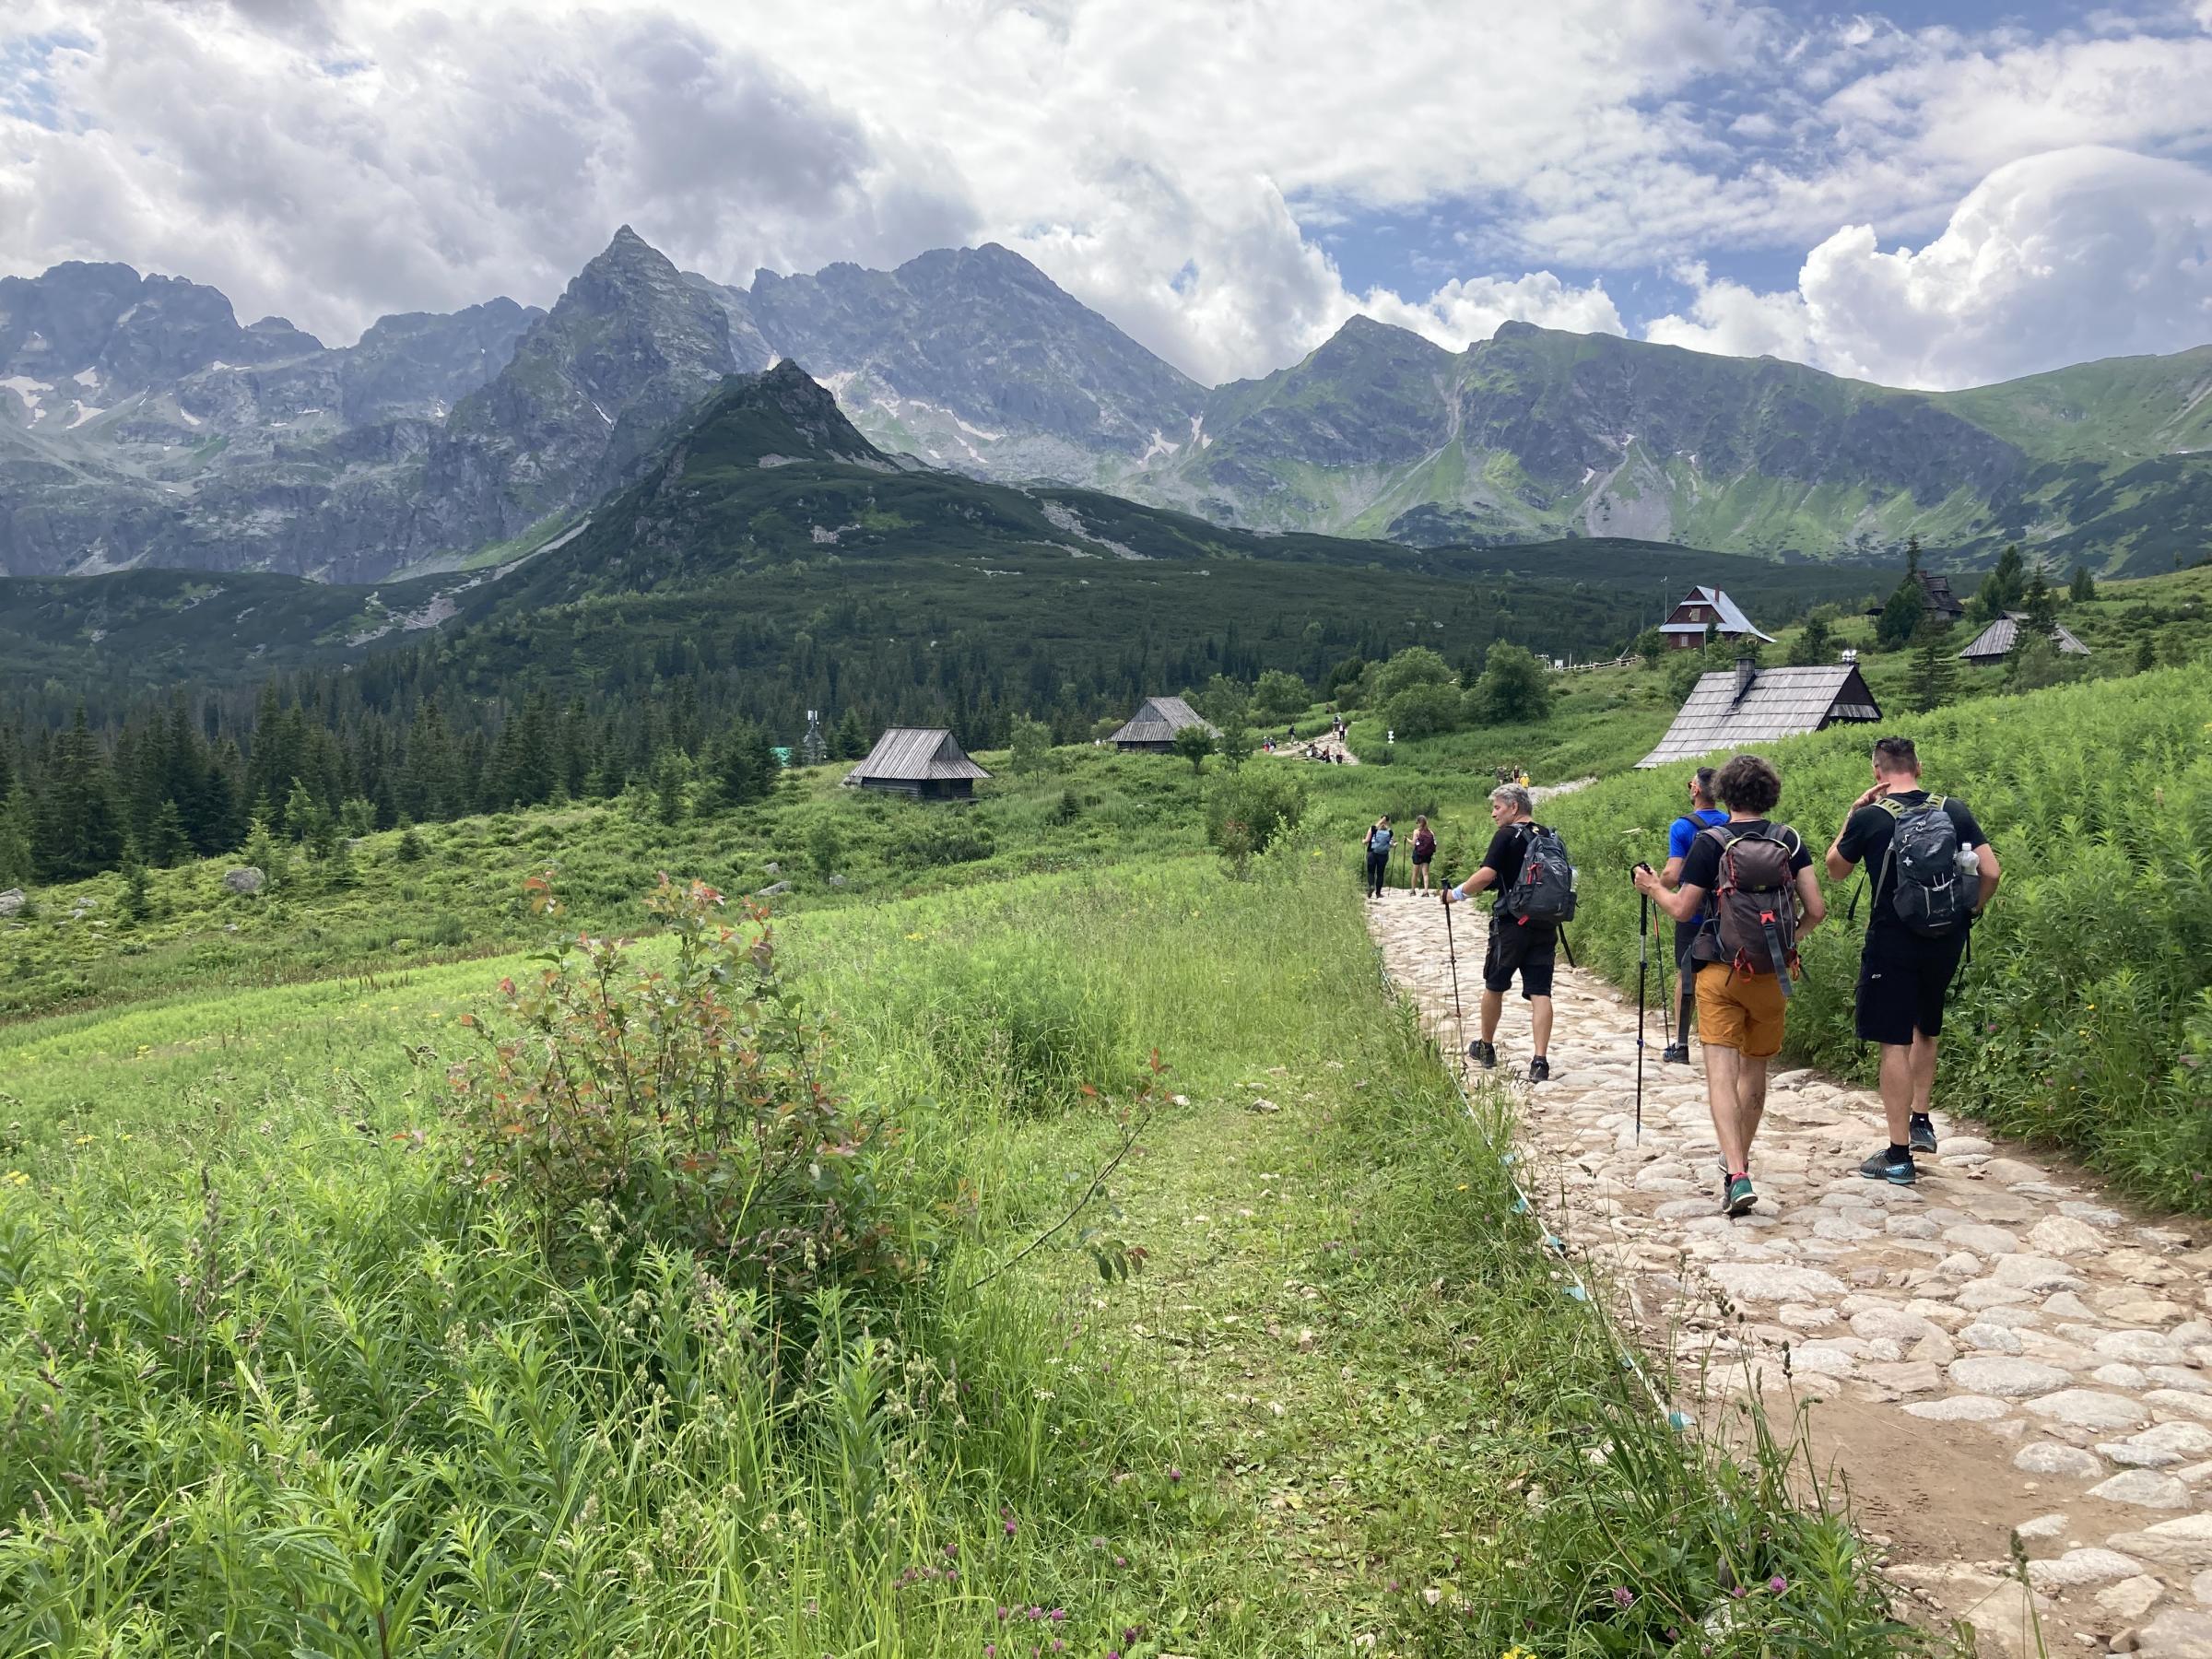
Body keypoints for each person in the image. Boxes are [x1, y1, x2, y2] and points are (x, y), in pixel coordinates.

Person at [1634, 754, 1824, 1216]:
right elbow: (1816, 911)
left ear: (1726, 792)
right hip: (1772, 975)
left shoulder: (1709, 842)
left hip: (1720, 971)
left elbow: (1682, 910)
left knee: (1721, 1073)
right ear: (1769, 793)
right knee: (1755, 1071)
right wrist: (1784, 942)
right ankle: (1739, 1158)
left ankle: (1736, 1172)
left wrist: (1651, 887)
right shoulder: (1790, 840)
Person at [1825, 735, 1999, 1185]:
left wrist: (1851, 814)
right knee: (1927, 1026)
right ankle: (1921, 1121)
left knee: (1893, 1043)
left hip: (1891, 942)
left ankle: (1899, 1154)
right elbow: (1992, 871)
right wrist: (1969, 912)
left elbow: (1835, 869)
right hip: (1946, 937)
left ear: (1877, 772)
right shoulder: (1953, 810)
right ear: (1918, 767)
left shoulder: (1870, 817)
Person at [1442, 784, 1557, 1083]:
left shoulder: (1506, 835)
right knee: (1541, 991)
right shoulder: (1547, 835)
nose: (1493, 813)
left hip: (1511, 925)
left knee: (1495, 984)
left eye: (1497, 807)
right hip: (1545, 924)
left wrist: (1455, 894)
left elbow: (1487, 875)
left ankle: (1486, 1046)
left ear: (1513, 807)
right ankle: (1540, 1060)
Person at [1659, 767, 1728, 1064]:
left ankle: (1682, 1043)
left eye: (1691, 784)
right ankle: (1724, 1038)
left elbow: (1672, 875)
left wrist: (1655, 885)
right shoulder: (1729, 822)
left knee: (1686, 976)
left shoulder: (1683, 827)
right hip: (1730, 913)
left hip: (1695, 913)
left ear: (1696, 790)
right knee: (1725, 973)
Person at [1361, 815, 1394, 900]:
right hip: (1383, 855)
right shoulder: (1390, 832)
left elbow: (1367, 841)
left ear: (1380, 820)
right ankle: (1378, 893)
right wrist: (1394, 845)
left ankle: (1371, 886)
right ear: (1388, 821)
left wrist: (1363, 841)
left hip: (1371, 853)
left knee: (1371, 872)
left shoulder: (1373, 829)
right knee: (1380, 873)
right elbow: (1390, 844)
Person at [1409, 815, 1437, 894]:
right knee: (1425, 873)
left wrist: (1407, 839)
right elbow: (1434, 844)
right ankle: (1425, 891)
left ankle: (1413, 890)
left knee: (1415, 873)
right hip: (1427, 855)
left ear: (1418, 823)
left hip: (1418, 854)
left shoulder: (1416, 831)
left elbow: (1413, 843)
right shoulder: (1431, 832)